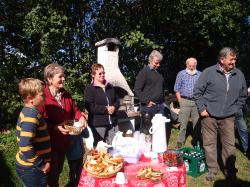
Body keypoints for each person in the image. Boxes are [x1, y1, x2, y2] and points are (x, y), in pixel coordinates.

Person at [193, 47, 247, 182]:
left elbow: (243, 95)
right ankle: (212, 169)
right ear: (222, 59)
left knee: (229, 145)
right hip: (209, 116)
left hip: (228, 116)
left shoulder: (239, 74)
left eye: (235, 59)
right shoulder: (209, 72)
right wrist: (201, 109)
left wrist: (235, 109)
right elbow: (197, 92)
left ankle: (230, 171)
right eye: (231, 59)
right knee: (209, 144)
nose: (234, 62)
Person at [38, 63, 87, 187]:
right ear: (50, 79)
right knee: (52, 175)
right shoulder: (43, 97)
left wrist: (80, 117)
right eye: (60, 76)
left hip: (64, 142)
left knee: (58, 170)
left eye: (63, 76)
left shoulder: (65, 94)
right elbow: (39, 122)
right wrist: (54, 128)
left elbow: (75, 109)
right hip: (51, 144)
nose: (63, 79)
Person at [16, 78, 51, 187]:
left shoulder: (30, 111)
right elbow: (25, 145)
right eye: (42, 95)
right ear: (30, 98)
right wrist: (41, 165)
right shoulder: (31, 116)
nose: (45, 97)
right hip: (32, 168)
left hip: (31, 167)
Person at [84, 63, 119, 146]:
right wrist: (105, 109)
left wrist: (114, 107)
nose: (102, 75)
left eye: (103, 73)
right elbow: (90, 107)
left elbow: (117, 100)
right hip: (98, 124)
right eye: (100, 73)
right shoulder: (90, 88)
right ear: (93, 75)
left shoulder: (109, 86)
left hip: (113, 123)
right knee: (99, 149)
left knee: (113, 147)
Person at [174, 57, 201, 148]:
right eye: (190, 66)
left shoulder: (200, 75)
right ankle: (180, 143)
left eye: (193, 66)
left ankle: (196, 142)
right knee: (183, 124)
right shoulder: (181, 74)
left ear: (196, 65)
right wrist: (180, 102)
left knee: (197, 124)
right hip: (184, 101)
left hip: (196, 101)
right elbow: (177, 89)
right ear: (186, 65)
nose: (191, 67)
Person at [134, 50, 165, 116]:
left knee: (160, 126)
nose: (158, 65)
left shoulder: (159, 73)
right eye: (156, 63)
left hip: (160, 106)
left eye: (159, 63)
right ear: (150, 60)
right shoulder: (144, 72)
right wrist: (147, 102)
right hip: (148, 107)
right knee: (148, 126)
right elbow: (137, 89)